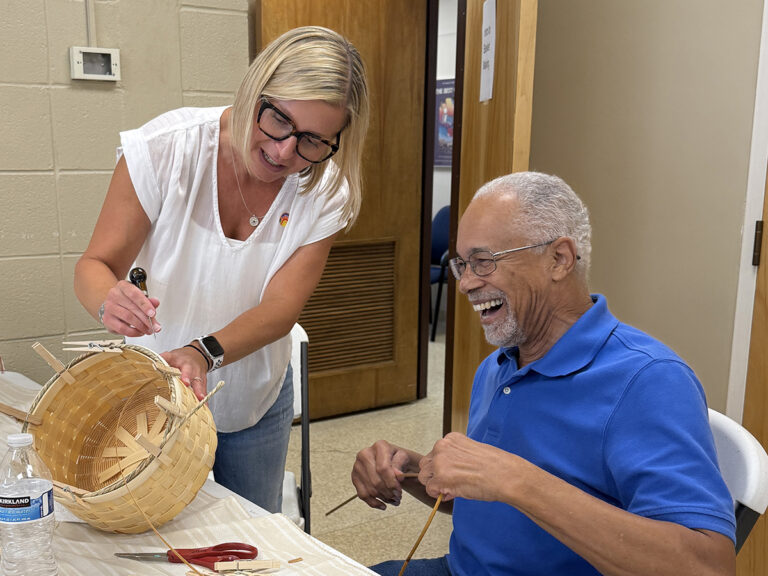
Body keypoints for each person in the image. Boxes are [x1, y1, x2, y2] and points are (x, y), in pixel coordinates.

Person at [352, 172, 736, 576]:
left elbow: (707, 567)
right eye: (461, 265)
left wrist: (517, 480)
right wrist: (413, 470)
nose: (465, 284)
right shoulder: (499, 364)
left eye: (483, 261)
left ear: (559, 259)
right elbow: (499, 505)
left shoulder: (648, 381)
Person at [74, 26, 369, 513]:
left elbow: (280, 308)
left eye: (314, 141)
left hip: (253, 395)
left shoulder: (325, 188)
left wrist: (202, 352)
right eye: (278, 121)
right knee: (153, 534)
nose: (284, 153)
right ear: (255, 88)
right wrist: (109, 300)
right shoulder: (168, 150)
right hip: (155, 395)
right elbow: (95, 266)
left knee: (248, 538)